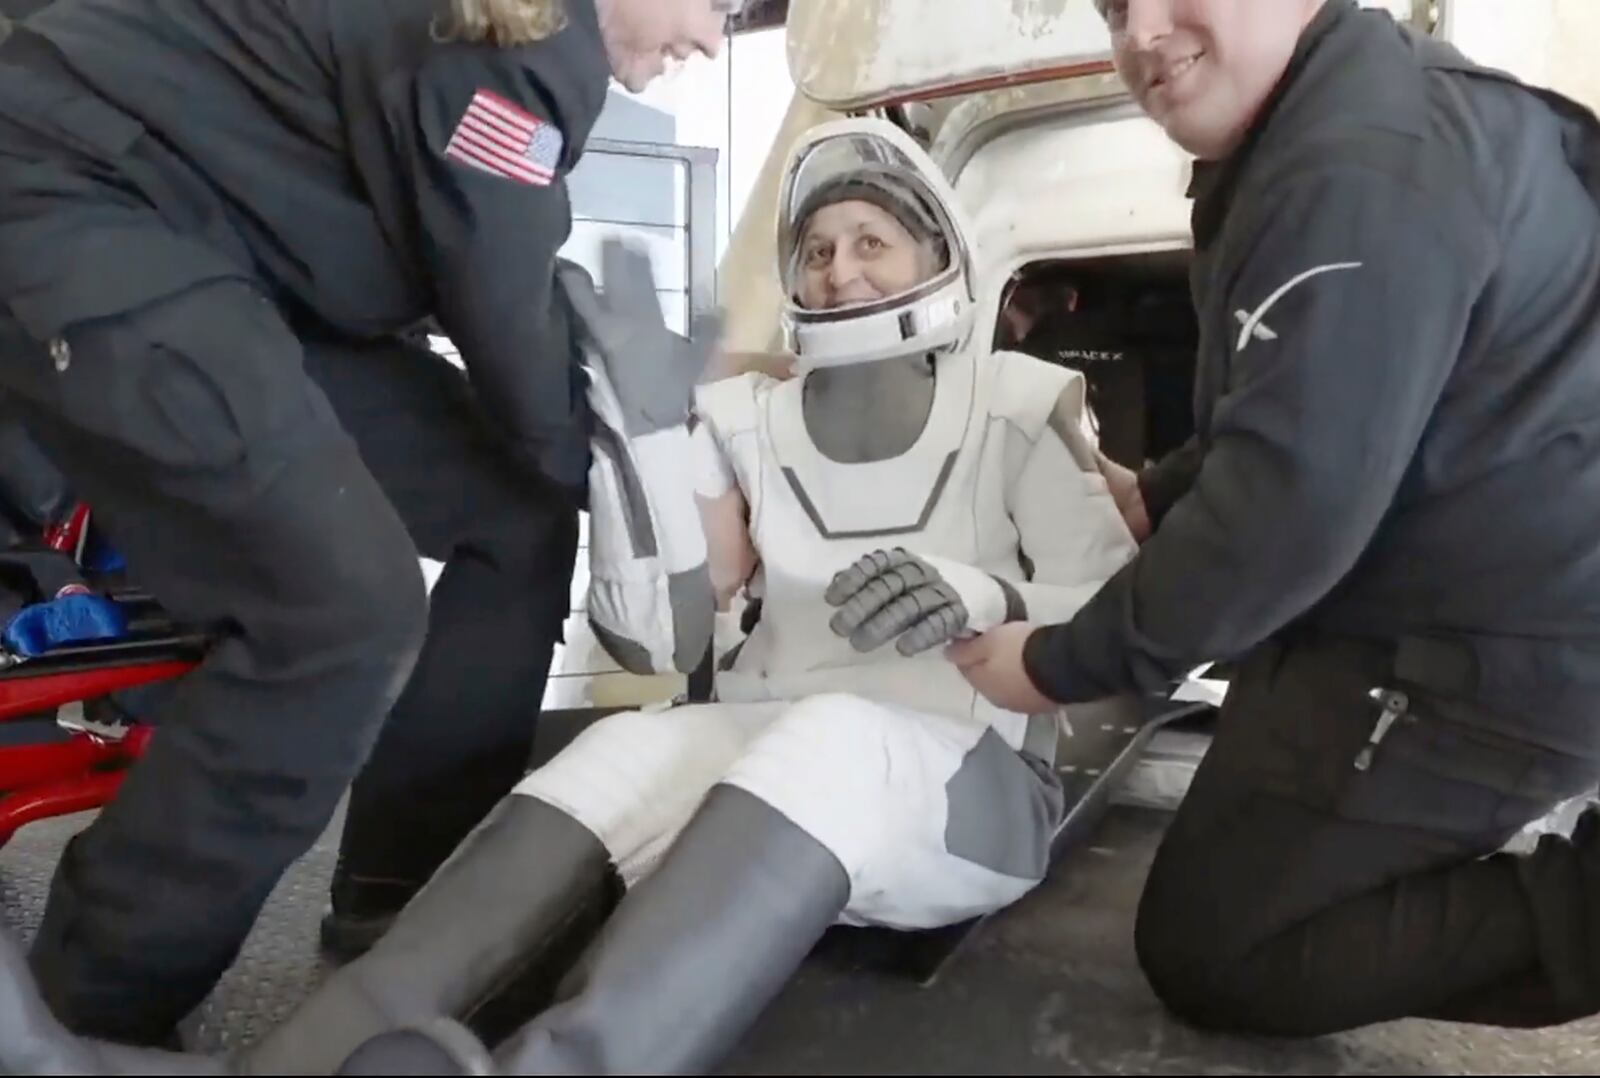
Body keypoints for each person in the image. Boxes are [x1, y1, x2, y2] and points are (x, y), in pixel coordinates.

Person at [0, 115, 1140, 1075]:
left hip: (972, 772)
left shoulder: (1017, 404)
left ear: (937, 255)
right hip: (773, 730)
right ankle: (291, 1062)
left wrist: (983, 591)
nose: (838, 270)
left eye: (870, 242)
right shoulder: (748, 423)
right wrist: (648, 449)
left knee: (832, 737)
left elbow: (1119, 615)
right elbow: (667, 631)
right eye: (817, 249)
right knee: (621, 752)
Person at [0, 0, 747, 1047]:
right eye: (715, 3)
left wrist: (594, 437)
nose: (714, 38)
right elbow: (501, 302)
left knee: (512, 513)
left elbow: (471, 267)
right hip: (82, 204)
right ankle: (82, 1014)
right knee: (339, 617)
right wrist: (658, 484)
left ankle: (405, 892)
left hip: (231, 256)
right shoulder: (532, 41)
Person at [951, 0, 1600, 1038]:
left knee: (1217, 945)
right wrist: (1156, 495)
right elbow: (1318, 391)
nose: (1142, 34)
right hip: (1426, 592)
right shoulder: (1328, 122)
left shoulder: (1357, 172)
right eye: (1114, 7)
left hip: (1495, 654)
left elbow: (1281, 516)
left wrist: (1060, 662)